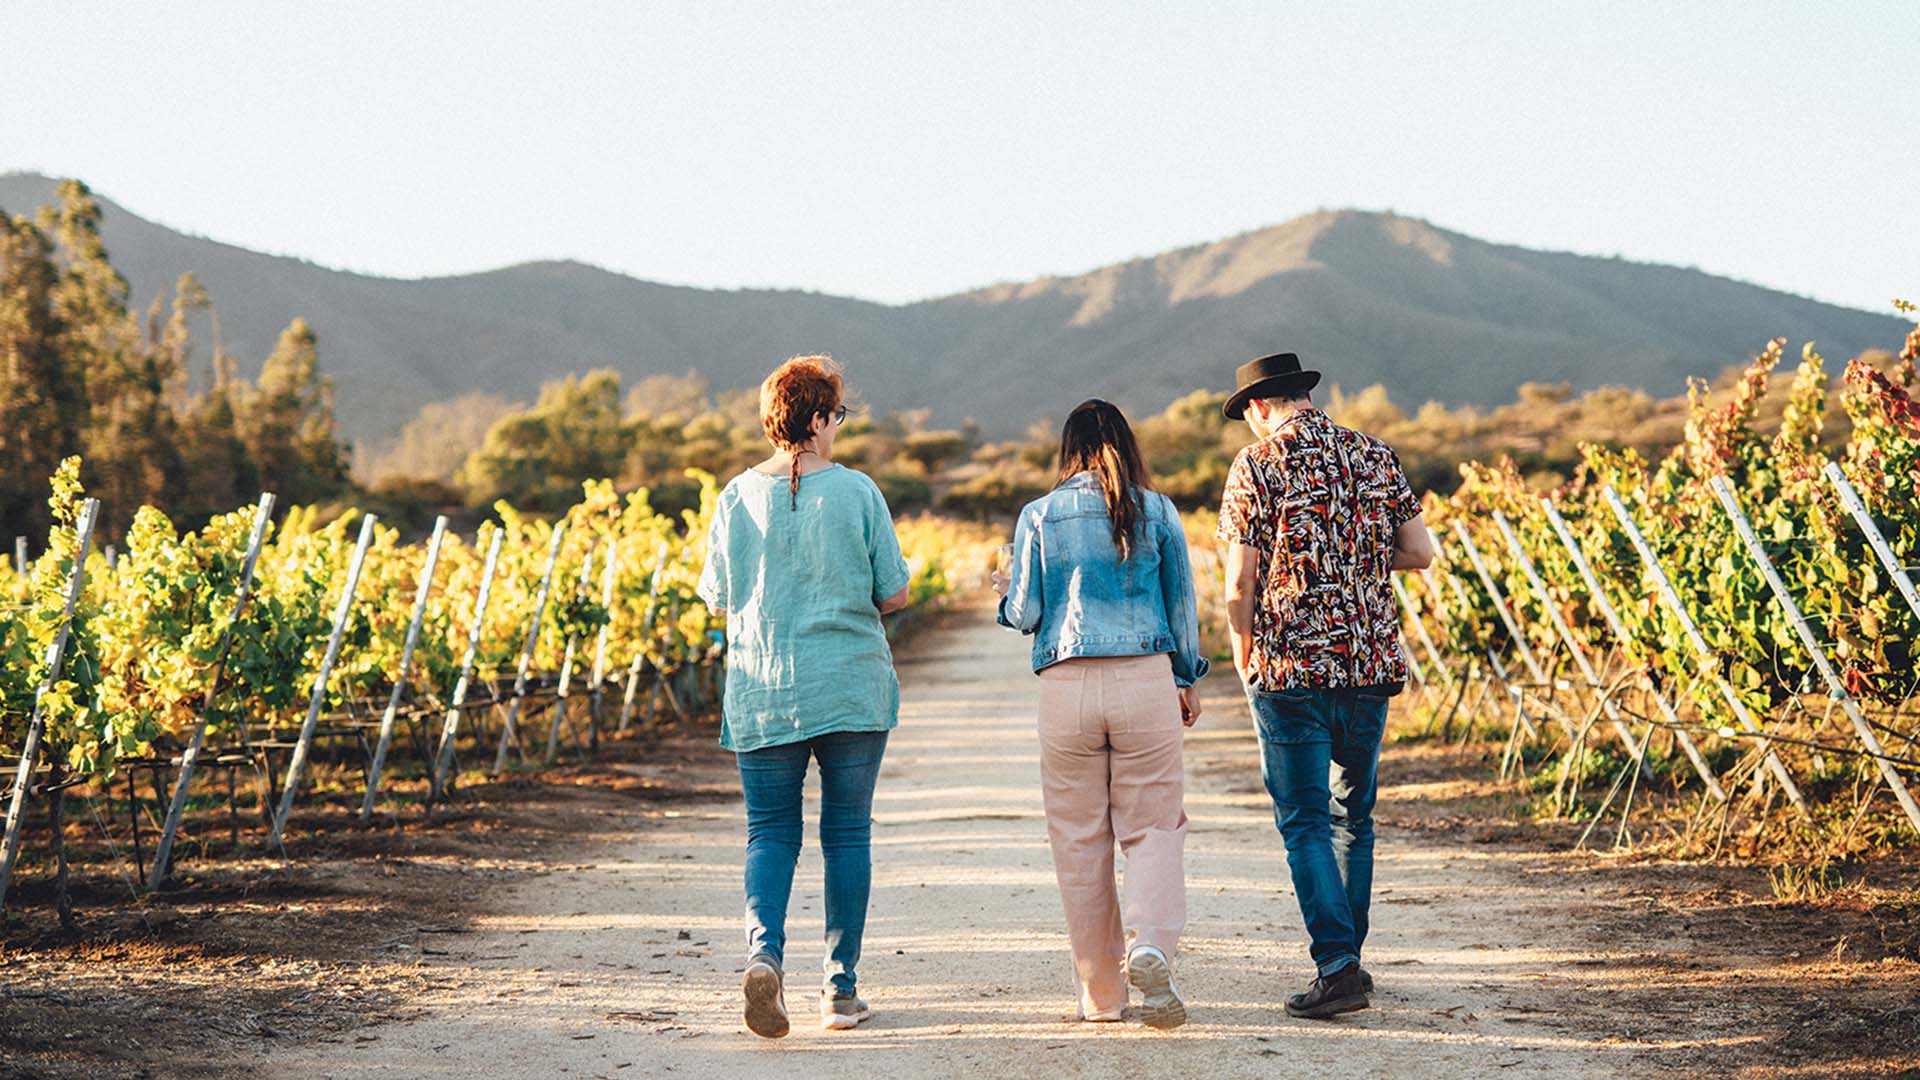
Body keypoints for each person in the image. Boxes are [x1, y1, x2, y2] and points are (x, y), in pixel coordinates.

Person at [696, 355, 913, 1039]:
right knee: (846, 833)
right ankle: (841, 992)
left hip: (762, 688)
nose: (837, 427)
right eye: (836, 416)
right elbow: (894, 593)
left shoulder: (734, 497)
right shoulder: (858, 493)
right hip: (849, 682)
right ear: (818, 418)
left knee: (770, 833)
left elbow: (719, 599)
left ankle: (765, 956)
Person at [1215, 351, 1434, 1020]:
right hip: (1368, 663)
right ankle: (1350, 961)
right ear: (1302, 394)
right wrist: (1361, 562)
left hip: (1290, 668)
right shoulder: (1375, 455)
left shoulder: (1257, 464)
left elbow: (1238, 584)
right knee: (1353, 817)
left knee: (1305, 818)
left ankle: (1337, 966)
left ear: (1258, 408)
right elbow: (1421, 552)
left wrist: (1243, 650)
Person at [992, 398, 1210, 1030]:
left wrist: (1002, 595)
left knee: (1080, 841)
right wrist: (1186, 677)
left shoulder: (1039, 515)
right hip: (1145, 678)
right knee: (1154, 825)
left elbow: (1026, 612)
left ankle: (1102, 997)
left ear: (1069, 449)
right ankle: (1151, 947)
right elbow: (1182, 605)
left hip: (1066, 687)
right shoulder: (1159, 510)